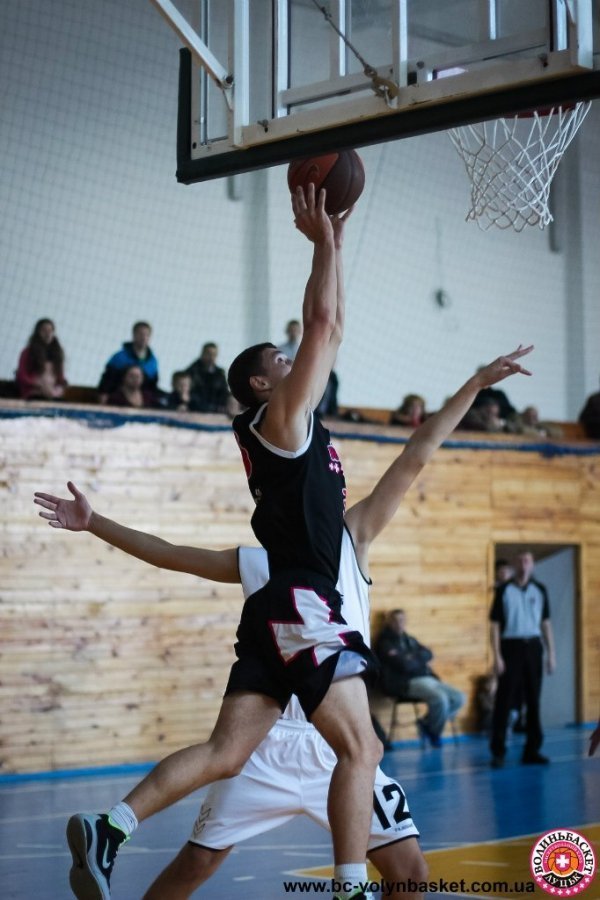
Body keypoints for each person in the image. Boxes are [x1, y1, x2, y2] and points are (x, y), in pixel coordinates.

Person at [34, 344, 533, 899]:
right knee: (196, 863)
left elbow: (418, 453)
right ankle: (120, 834)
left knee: (410, 872)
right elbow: (172, 554)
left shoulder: (354, 535)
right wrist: (97, 523)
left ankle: (117, 828)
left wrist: (474, 384)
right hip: (270, 739)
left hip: (335, 741)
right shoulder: (264, 561)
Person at [489, 550, 556, 768]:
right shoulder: (504, 591)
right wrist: (497, 655)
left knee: (533, 699)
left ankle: (532, 749)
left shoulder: (540, 590)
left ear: (532, 564)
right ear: (514, 565)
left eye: (527, 560)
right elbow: (495, 625)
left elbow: (546, 623)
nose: (523, 564)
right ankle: (498, 751)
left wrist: (551, 654)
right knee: (504, 699)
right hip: (511, 646)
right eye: (519, 561)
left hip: (533, 646)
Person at [375, 610, 465, 747]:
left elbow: (428, 653)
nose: (399, 623)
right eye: (396, 620)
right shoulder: (385, 643)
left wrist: (411, 658)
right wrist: (417, 658)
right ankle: (434, 733)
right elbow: (404, 665)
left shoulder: (410, 640)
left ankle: (426, 723)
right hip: (406, 683)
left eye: (402, 620)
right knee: (440, 699)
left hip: (428, 678)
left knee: (459, 697)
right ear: (389, 622)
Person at [97, 322, 159, 403]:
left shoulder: (153, 361)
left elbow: (153, 386)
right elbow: (107, 380)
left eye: (147, 335)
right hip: (119, 400)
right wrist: (103, 395)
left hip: (143, 402)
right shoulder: (119, 357)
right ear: (133, 335)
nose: (143, 337)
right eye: (140, 334)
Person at [16, 318, 67, 400]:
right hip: (33, 393)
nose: (48, 334)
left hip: (52, 394)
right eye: (44, 330)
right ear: (37, 333)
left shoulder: (57, 354)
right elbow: (22, 375)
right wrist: (38, 385)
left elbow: (61, 379)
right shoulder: (28, 352)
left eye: (50, 330)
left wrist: (58, 389)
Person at [184, 342, 230, 413]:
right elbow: (189, 393)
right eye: (209, 354)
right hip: (195, 410)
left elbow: (224, 392)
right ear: (202, 354)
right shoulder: (192, 371)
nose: (211, 357)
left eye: (214, 355)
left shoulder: (220, 373)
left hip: (215, 411)